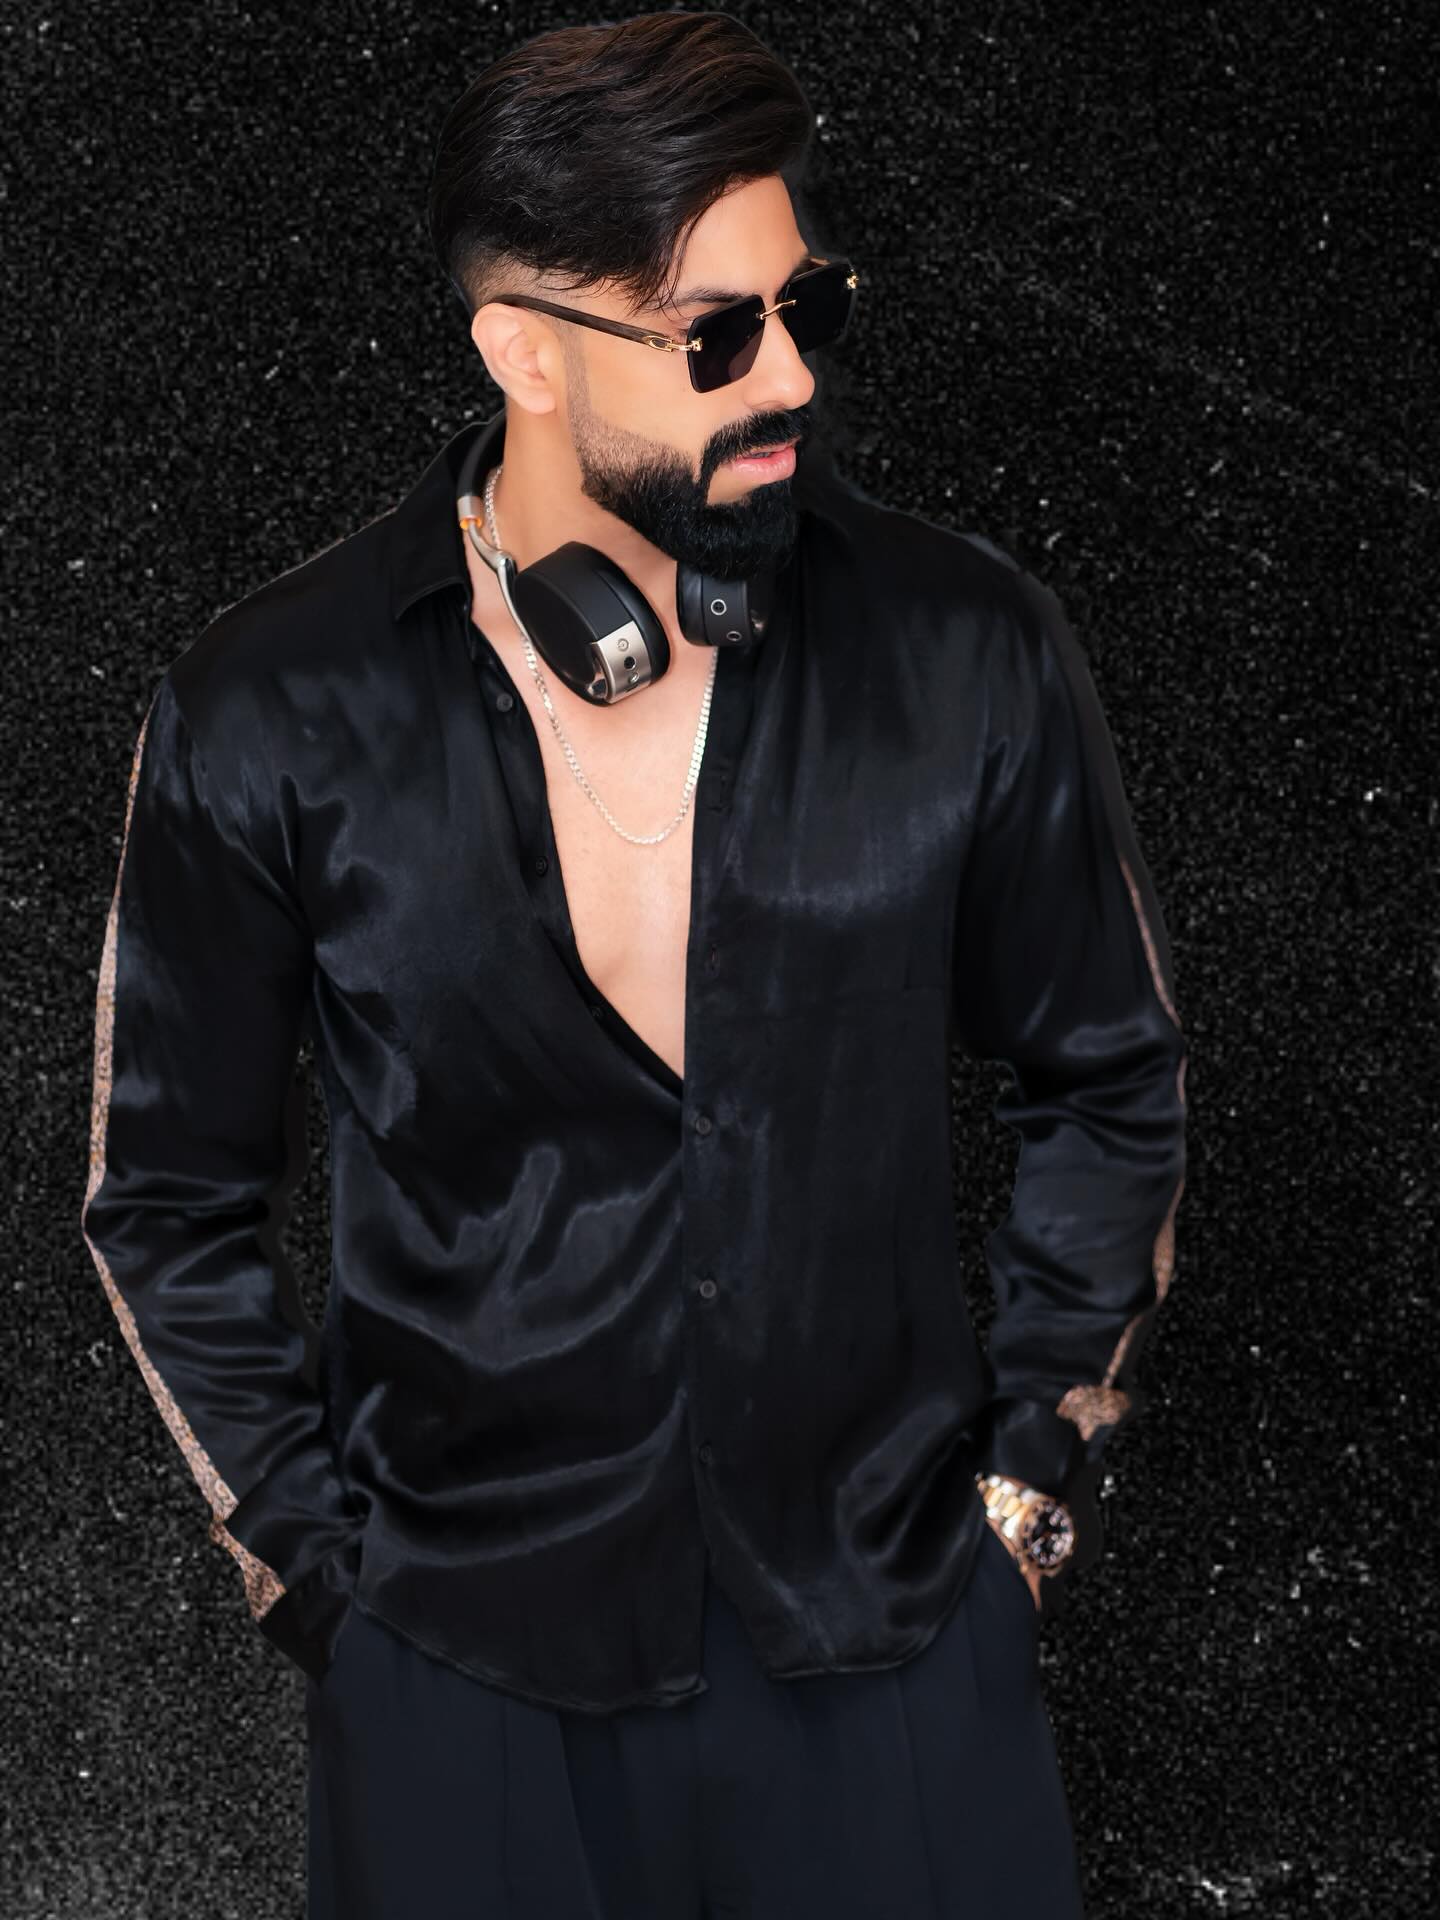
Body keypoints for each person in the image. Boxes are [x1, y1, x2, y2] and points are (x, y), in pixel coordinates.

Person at [79, 12, 1188, 1917]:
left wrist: (1026, 1491)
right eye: (714, 338)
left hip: (897, 1643)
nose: (791, 379)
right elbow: (162, 1199)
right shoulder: (268, 708)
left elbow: (1111, 1073)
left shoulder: (969, 648)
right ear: (523, 350)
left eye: (802, 310)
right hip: (459, 1680)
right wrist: (324, 1584)